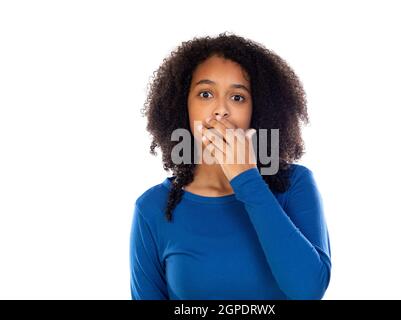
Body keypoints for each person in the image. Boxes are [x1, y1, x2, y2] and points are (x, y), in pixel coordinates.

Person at [129, 32, 332, 300]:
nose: (221, 110)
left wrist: (246, 177)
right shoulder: (152, 207)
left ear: (257, 110)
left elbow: (308, 289)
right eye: (205, 94)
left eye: (237, 97)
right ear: (183, 107)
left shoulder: (295, 184)